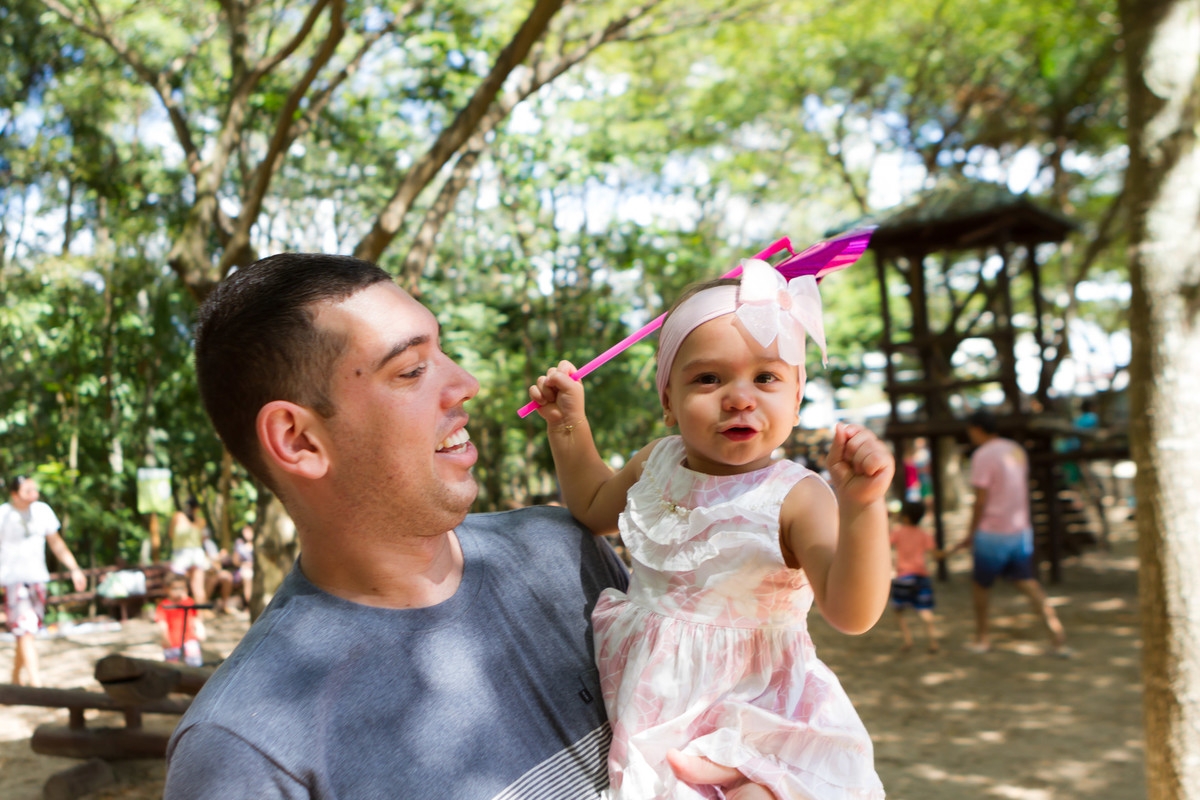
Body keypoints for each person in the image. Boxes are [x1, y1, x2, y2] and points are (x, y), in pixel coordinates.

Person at [164, 252, 742, 800]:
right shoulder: (245, 747)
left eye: (444, 352)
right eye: (412, 369)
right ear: (299, 440)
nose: (466, 383)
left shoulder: (561, 552)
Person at [529, 259, 894, 799]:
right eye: (708, 378)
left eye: (766, 377)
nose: (739, 397)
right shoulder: (657, 462)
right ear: (668, 401)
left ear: (796, 399)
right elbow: (592, 507)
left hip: (753, 707)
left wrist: (862, 507)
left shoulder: (796, 496)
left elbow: (852, 612)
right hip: (654, 692)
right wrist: (568, 426)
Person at [950, 410, 1068, 655]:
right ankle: (1056, 633)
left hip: (992, 531)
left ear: (976, 429)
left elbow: (981, 500)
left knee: (981, 586)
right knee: (1028, 583)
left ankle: (982, 638)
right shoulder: (1016, 449)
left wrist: (970, 533)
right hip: (1020, 530)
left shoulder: (983, 455)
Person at [0, 476, 87, 686]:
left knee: (27, 632)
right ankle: (36, 684)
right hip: (13, 580)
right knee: (26, 629)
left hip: (38, 578)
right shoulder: (3, 514)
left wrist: (75, 568)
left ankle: (14, 680)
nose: (33, 494)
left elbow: (56, 543)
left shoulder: (43, 511)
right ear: (14, 493)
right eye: (27, 490)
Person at [888, 500, 940, 653]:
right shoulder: (925, 534)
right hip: (921, 576)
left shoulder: (898, 532)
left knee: (898, 610)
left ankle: (908, 640)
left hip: (903, 577)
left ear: (906, 517)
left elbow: (886, 543)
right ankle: (932, 642)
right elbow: (935, 554)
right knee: (925, 610)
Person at [157, 574, 206, 667]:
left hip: (190, 640)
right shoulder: (164, 605)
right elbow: (162, 624)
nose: (179, 592)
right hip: (173, 643)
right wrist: (165, 639)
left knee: (195, 664)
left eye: (182, 588)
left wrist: (200, 629)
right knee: (174, 667)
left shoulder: (189, 602)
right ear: (167, 589)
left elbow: (195, 618)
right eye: (175, 588)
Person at [167, 498, 209, 605]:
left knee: (179, 586)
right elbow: (202, 539)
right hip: (197, 554)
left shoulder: (177, 516)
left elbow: (171, 534)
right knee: (198, 588)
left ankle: (182, 616)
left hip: (181, 555)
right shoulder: (200, 520)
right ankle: (200, 619)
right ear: (197, 508)